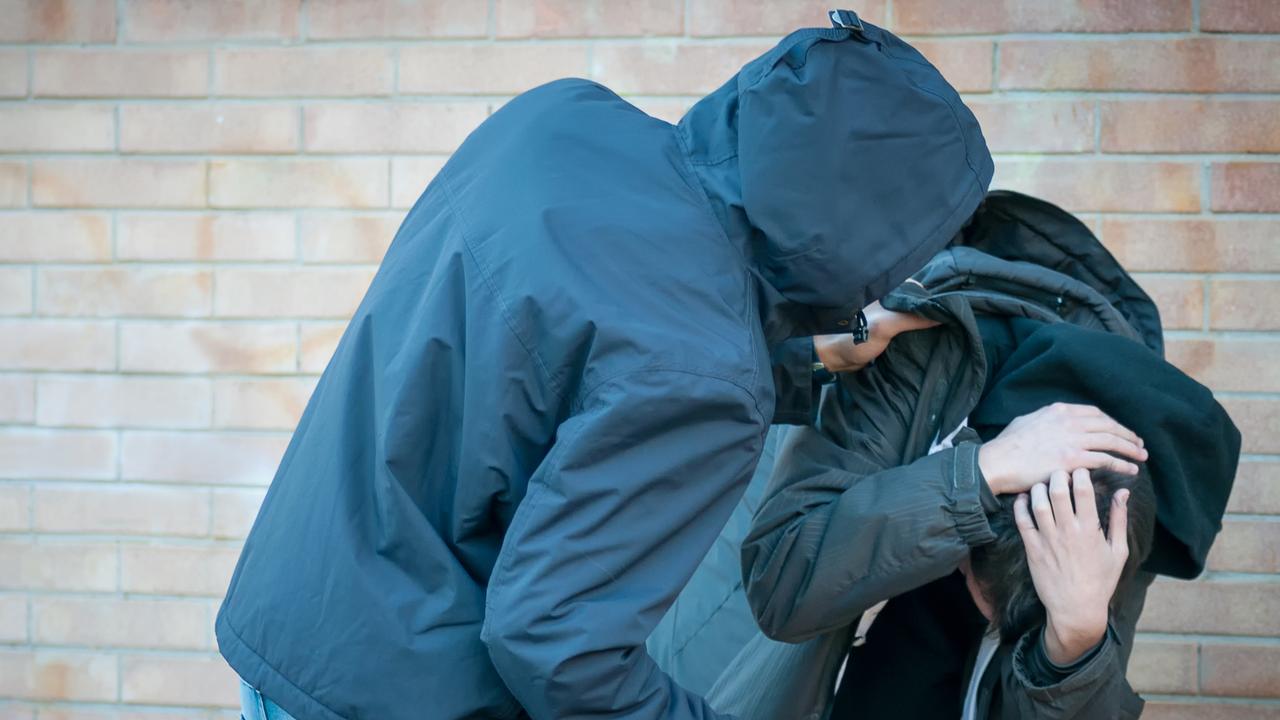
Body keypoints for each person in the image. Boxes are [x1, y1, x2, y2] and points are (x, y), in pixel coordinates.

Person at [216, 11, 1032, 719]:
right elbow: (555, 644)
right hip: (393, 693)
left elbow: (566, 361)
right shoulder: (707, 373)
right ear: (874, 226)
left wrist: (806, 360)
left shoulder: (558, 118)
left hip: (296, 616)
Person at [648, 191, 1240, 720]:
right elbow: (783, 588)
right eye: (976, 586)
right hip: (840, 490)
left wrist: (1077, 641)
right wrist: (974, 480)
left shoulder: (1116, 502)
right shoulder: (909, 356)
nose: (983, 612)